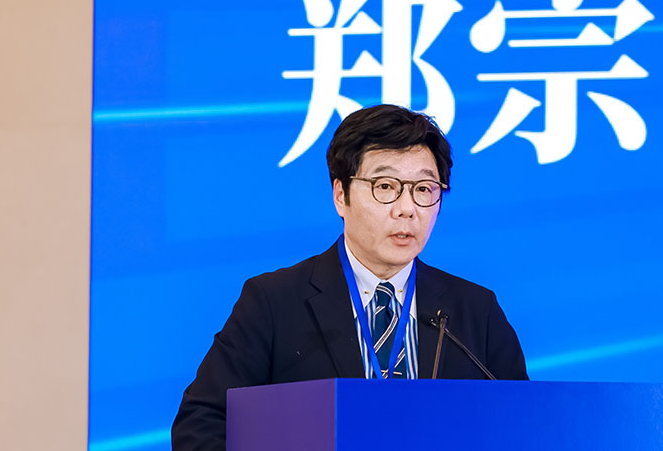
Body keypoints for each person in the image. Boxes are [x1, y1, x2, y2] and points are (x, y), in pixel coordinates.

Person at [172, 104, 527, 451]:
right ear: (340, 195)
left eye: (423, 189)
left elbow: (524, 425)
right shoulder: (273, 302)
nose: (407, 209)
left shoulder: (475, 311)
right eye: (385, 186)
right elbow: (200, 425)